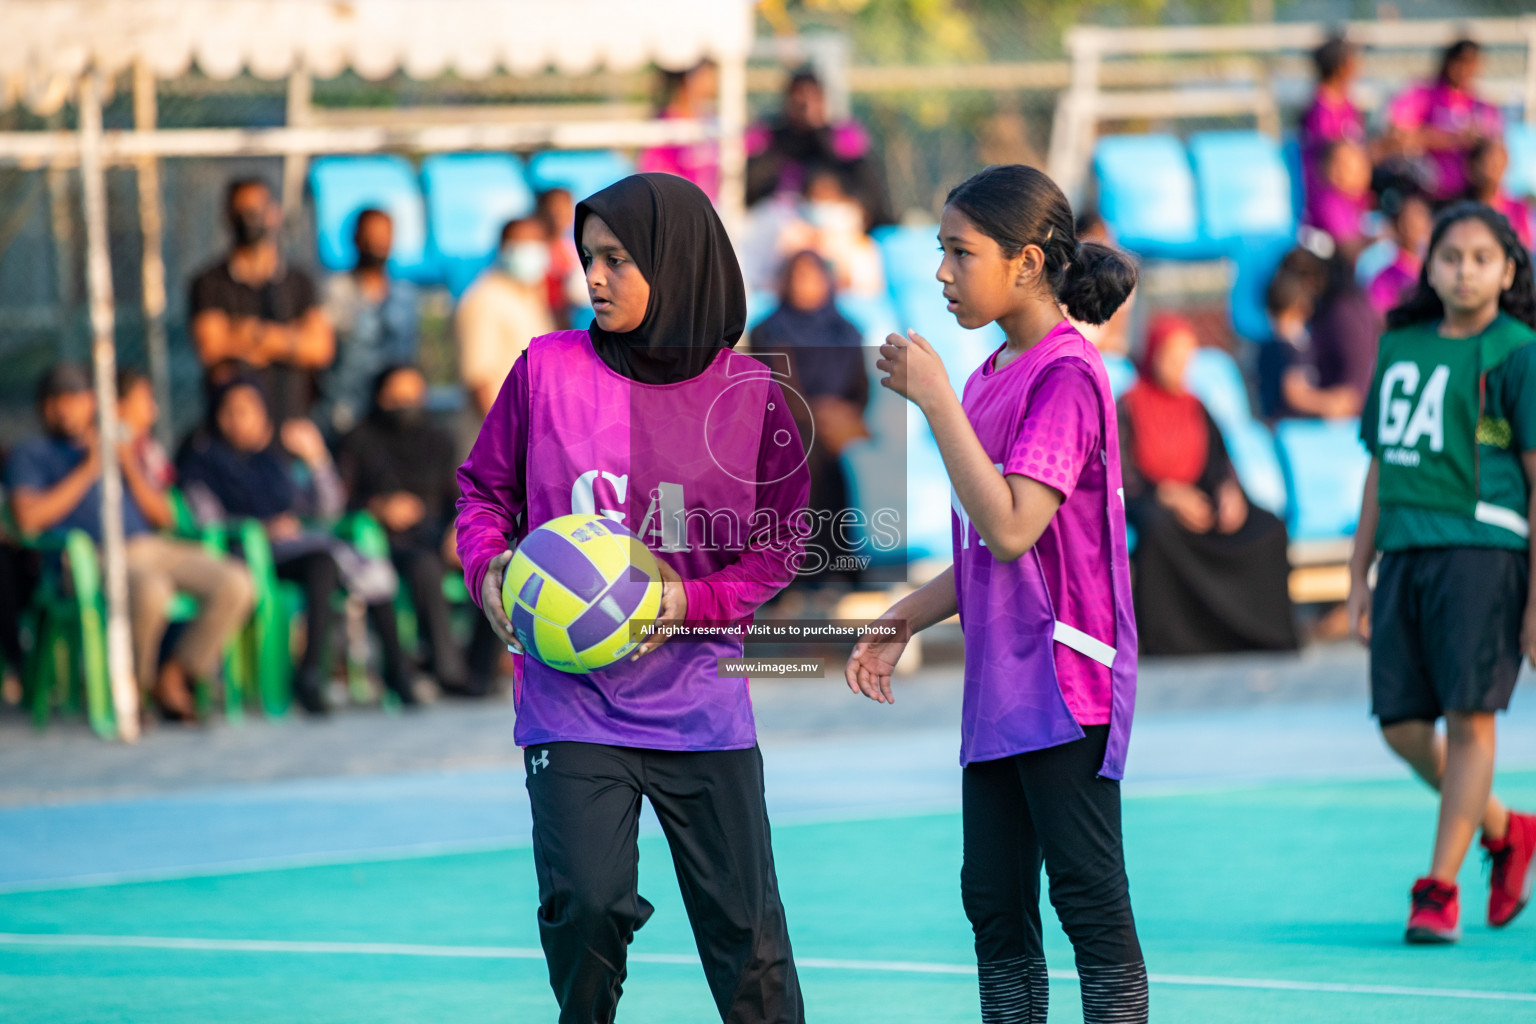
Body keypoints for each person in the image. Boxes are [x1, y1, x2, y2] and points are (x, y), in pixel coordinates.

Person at [456, 173, 810, 1024]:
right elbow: (482, 494)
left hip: (702, 703)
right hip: (570, 698)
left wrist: (681, 603)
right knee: (588, 906)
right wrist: (489, 568)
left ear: (677, 261)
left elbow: (782, 545)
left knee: (748, 941)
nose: (596, 277)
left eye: (617, 258)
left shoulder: (754, 395)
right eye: (588, 258)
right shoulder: (544, 369)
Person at [844, 165, 1147, 1023]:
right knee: (995, 911)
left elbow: (1014, 524)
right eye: (940, 251)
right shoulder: (987, 378)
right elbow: (987, 551)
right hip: (1000, 691)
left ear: (1027, 263)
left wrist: (935, 402)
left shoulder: (1067, 375)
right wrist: (903, 615)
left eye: (959, 251)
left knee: (1088, 905)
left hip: (1065, 685)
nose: (941, 272)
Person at [1347, 202, 1536, 944]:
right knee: (1399, 725)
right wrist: (1358, 570)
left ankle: (1439, 888)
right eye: (1450, 256)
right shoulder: (1400, 347)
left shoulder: (1518, 351)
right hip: (1405, 550)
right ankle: (1506, 828)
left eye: (1481, 258)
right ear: (1428, 266)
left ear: (1508, 271)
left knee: (1469, 719)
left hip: (1484, 552)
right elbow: (1377, 466)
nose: (1464, 270)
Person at [4, 364, 254, 721]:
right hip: (87, 558)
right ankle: (133, 689)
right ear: (42, 408)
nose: (64, 408)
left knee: (236, 582)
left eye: (73, 398)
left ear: (91, 402)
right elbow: (27, 518)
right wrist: (88, 471)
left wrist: (126, 464)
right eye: (54, 400)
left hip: (149, 547)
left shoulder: (115, 444)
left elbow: (166, 516)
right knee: (152, 590)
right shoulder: (33, 454)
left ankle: (174, 676)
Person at [178, 374, 413, 714]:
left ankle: (395, 669)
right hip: (248, 555)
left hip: (296, 551)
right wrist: (263, 529)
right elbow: (208, 523)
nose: (238, 420)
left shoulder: (275, 462)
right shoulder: (203, 465)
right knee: (322, 562)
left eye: (248, 411)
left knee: (346, 562)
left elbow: (327, 509)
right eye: (230, 411)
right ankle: (311, 675)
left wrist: (317, 460)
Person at [1118, 316, 1298, 656]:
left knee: (1267, 527)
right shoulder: (1129, 405)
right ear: (1154, 354)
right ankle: (1177, 642)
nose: (1180, 366)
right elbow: (1122, 474)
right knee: (1158, 529)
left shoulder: (1195, 405)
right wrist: (1167, 495)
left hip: (1201, 499)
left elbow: (1221, 464)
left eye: (1186, 358)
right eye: (1171, 356)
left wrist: (1231, 494)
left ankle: (1255, 634)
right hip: (1154, 500)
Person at [338, 365, 492, 697]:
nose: (404, 403)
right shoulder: (360, 439)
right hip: (384, 542)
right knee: (424, 566)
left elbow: (461, 494)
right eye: (395, 395)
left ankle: (480, 669)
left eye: (412, 395)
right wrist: (380, 507)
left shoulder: (438, 438)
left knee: (492, 560)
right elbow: (341, 500)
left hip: (437, 533)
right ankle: (447, 670)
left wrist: (459, 530)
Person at [750, 250, 869, 584]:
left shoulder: (846, 331)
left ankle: (835, 569)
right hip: (787, 431)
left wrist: (844, 416)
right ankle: (793, 572)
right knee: (804, 462)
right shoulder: (769, 331)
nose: (806, 286)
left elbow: (859, 390)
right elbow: (777, 388)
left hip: (836, 435)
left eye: (813, 276)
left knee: (834, 478)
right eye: (798, 277)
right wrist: (818, 417)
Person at [189, 177, 335, 426]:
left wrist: (254, 335)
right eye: (242, 212)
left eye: (256, 210)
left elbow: (319, 348)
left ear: (274, 214)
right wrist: (291, 340)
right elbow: (212, 347)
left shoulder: (299, 282)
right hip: (234, 431)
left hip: (292, 423)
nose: (249, 219)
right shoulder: (210, 283)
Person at [318, 208, 420, 439]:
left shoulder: (404, 296)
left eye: (384, 236)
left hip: (391, 419)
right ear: (356, 238)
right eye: (370, 235)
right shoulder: (336, 291)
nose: (377, 243)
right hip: (343, 417)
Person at [745, 69, 889, 227]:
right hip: (780, 215)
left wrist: (819, 132)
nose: (805, 104)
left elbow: (863, 183)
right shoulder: (771, 137)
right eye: (798, 97)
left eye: (813, 97)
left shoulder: (842, 135)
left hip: (831, 213)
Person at [454, 216, 557, 418]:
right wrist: (506, 443)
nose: (533, 252)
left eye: (538, 244)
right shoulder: (485, 298)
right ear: (504, 249)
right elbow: (479, 380)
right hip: (503, 436)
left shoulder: (529, 296)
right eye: (524, 245)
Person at [1387, 39, 1503, 204]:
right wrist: (1454, 139)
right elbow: (1398, 133)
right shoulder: (1424, 95)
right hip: (1423, 190)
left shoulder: (1482, 106)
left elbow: (1496, 148)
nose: (1463, 69)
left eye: (1470, 63)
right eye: (1459, 61)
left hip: (1468, 193)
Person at [1257, 269, 1361, 421]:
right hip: (1292, 431)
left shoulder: (1269, 346)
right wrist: (1330, 404)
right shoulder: (1290, 348)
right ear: (1303, 307)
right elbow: (1295, 393)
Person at [1299, 33, 1369, 209]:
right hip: (1331, 207)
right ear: (1341, 67)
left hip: (1354, 205)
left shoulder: (1348, 105)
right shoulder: (1320, 112)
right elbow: (1331, 167)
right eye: (1353, 60)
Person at [637, 61, 720, 201]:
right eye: (704, 75)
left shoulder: (712, 119)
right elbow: (655, 180)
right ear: (685, 79)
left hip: (714, 209)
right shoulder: (663, 125)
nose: (711, 82)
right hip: (683, 209)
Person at [1070, 210, 1135, 355]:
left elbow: (1116, 338)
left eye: (1106, 239)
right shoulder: (1062, 274)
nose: (1103, 246)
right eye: (1096, 240)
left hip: (1099, 353)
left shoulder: (1117, 276)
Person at [1368, 188, 1435, 317]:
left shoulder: (1438, 270)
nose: (1415, 225)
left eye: (1420, 217)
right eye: (1408, 220)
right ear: (1397, 227)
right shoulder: (1385, 279)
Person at [1464, 136, 1535, 252]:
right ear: (1473, 166)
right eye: (1488, 161)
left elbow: (1526, 249)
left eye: (1499, 161)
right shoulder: (1461, 209)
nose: (1495, 167)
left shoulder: (1519, 208)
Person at [1303, 139, 1374, 250]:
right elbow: (1348, 248)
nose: (1359, 173)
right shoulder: (1330, 204)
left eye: (1360, 166)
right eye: (1346, 168)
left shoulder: (1361, 200)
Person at [536, 188, 587, 329]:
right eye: (555, 207)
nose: (560, 213)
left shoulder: (571, 248)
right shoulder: (534, 249)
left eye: (566, 207)